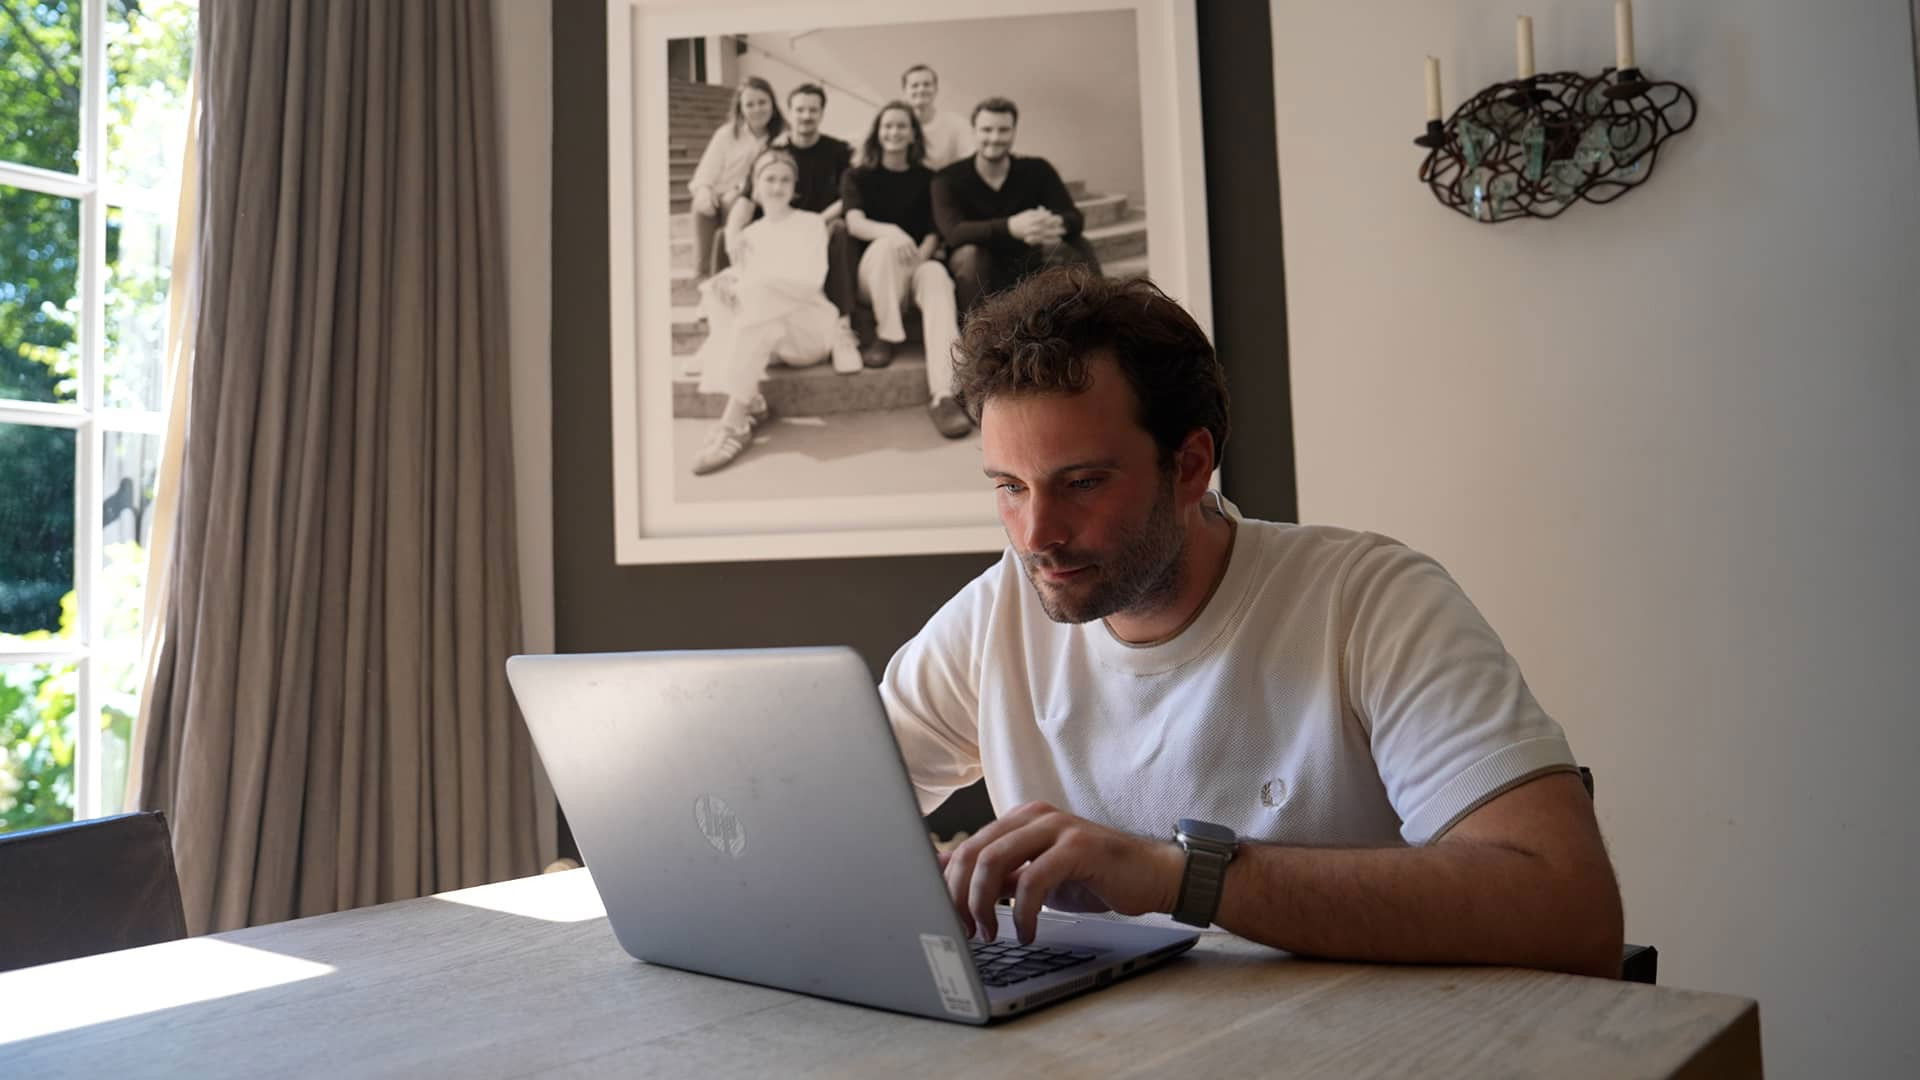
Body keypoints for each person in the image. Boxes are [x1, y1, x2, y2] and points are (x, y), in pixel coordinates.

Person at [880, 266, 1626, 978]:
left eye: (1081, 483)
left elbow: (1570, 911)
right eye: (1010, 487)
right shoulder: (997, 616)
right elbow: (824, 805)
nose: (1036, 535)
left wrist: (1177, 877)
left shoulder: (1369, 601)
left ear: (1190, 466)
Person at [688, 149, 861, 477]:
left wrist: (747, 284)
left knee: (756, 296)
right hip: (771, 336)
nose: (777, 186)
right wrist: (729, 280)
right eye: (769, 179)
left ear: (794, 187)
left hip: (809, 331)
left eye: (785, 180)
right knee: (720, 290)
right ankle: (751, 401)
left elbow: (809, 281)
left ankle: (733, 424)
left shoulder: (810, 224)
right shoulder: (750, 234)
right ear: (756, 185)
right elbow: (746, 285)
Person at [840, 101, 967, 439]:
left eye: (901, 126)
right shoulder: (857, 176)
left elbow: (933, 232)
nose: (893, 132)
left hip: (915, 267)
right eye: (887, 126)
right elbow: (854, 223)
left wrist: (920, 260)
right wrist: (892, 232)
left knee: (937, 277)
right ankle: (887, 334)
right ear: (877, 132)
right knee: (885, 247)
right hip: (873, 277)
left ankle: (945, 394)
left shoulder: (929, 179)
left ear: (913, 134)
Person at [931, 97, 1099, 317]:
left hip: (1024, 258)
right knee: (970, 255)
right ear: (974, 132)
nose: (995, 138)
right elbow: (954, 232)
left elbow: (1074, 218)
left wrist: (1052, 223)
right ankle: (977, 330)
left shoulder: (1037, 169)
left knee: (1076, 244)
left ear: (1014, 131)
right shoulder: (948, 178)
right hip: (977, 269)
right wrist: (1011, 227)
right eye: (987, 130)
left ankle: (1096, 318)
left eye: (1003, 130)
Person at [723, 83, 858, 332]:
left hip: (822, 225)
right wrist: (733, 232)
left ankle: (843, 322)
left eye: (813, 110)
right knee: (726, 236)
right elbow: (747, 198)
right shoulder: (773, 152)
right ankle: (725, 319)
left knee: (840, 230)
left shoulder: (839, 151)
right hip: (779, 224)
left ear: (822, 113)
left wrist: (813, 224)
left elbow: (848, 198)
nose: (806, 116)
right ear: (790, 111)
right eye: (800, 110)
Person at [687, 76, 785, 279]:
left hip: (756, 197)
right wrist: (704, 192)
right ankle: (705, 274)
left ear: (773, 105)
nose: (757, 109)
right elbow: (705, 174)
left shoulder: (782, 137)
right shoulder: (726, 134)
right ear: (741, 109)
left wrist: (740, 190)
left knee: (732, 202)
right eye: (750, 104)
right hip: (722, 195)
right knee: (701, 207)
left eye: (762, 102)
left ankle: (732, 271)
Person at [901, 63, 972, 170]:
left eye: (927, 84)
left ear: (936, 89)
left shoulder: (957, 124)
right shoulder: (894, 127)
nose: (921, 89)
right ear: (904, 92)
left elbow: (969, 162)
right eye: (914, 86)